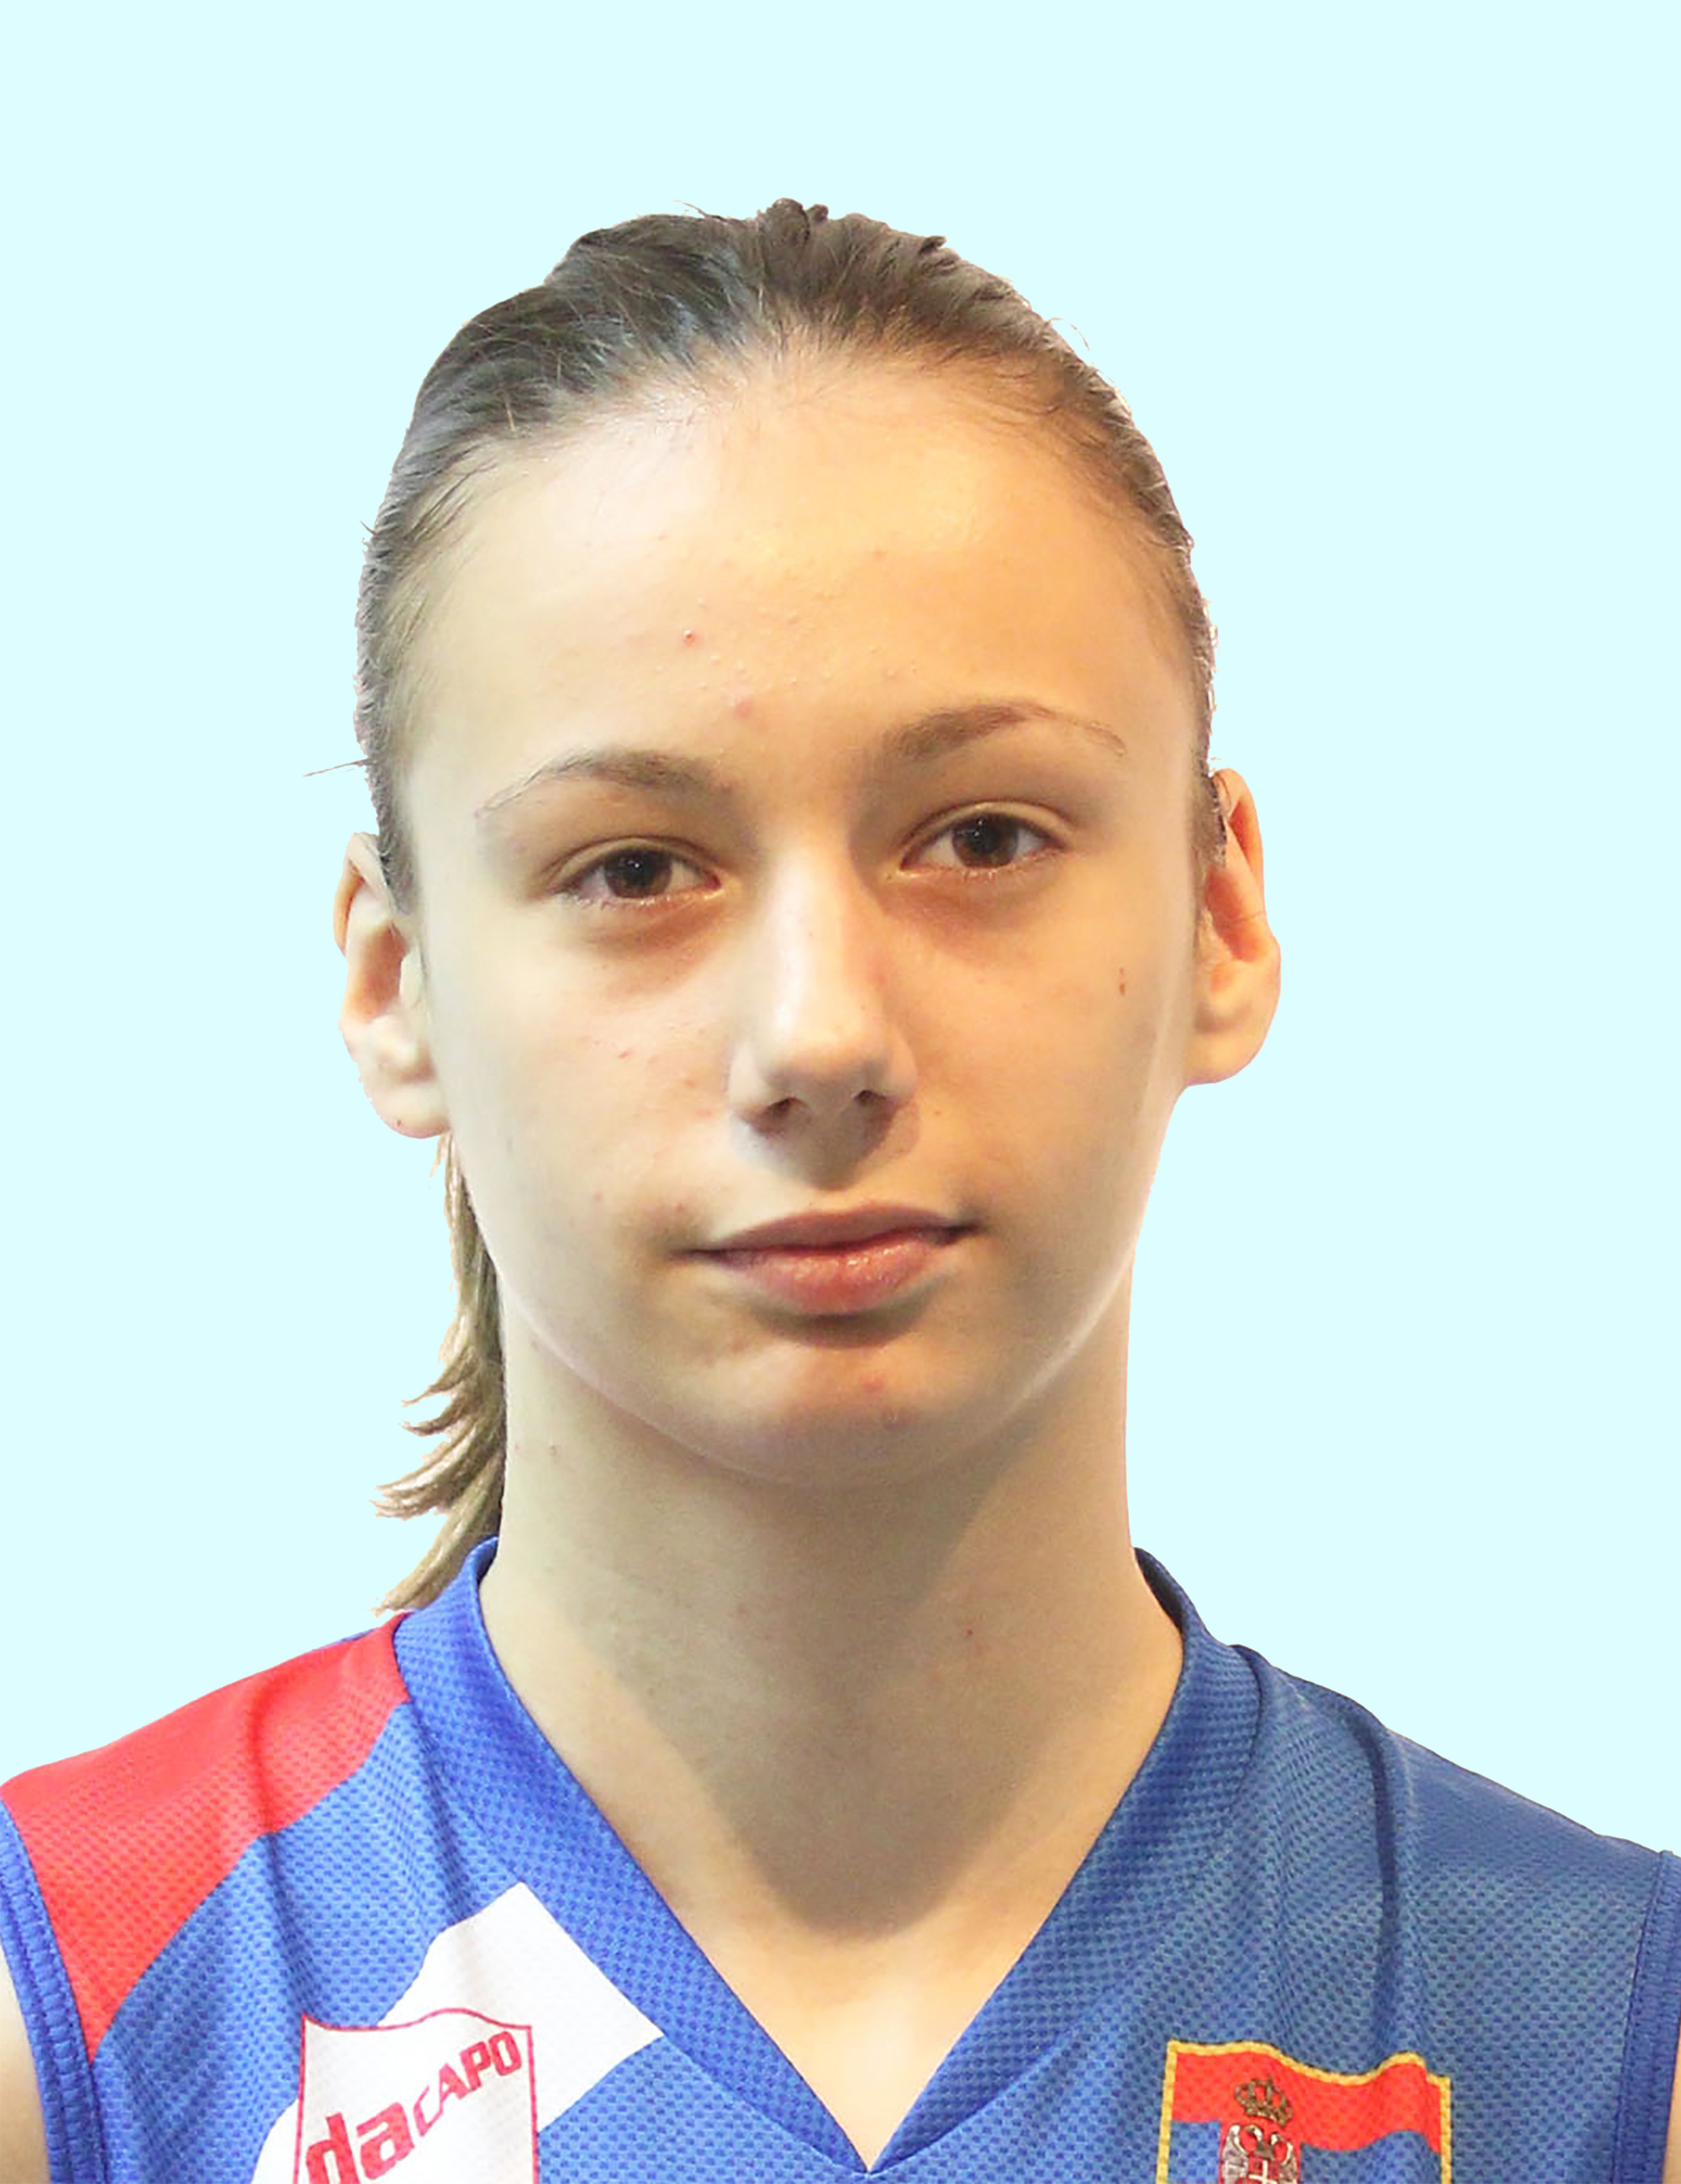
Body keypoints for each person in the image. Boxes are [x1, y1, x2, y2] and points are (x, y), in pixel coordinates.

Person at [1, 197, 1675, 2184]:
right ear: (394, 983)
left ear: (1221, 913)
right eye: (635, 868)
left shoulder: (1596, 2046)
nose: (819, 1032)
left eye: (979, 836)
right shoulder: (77, 2020)